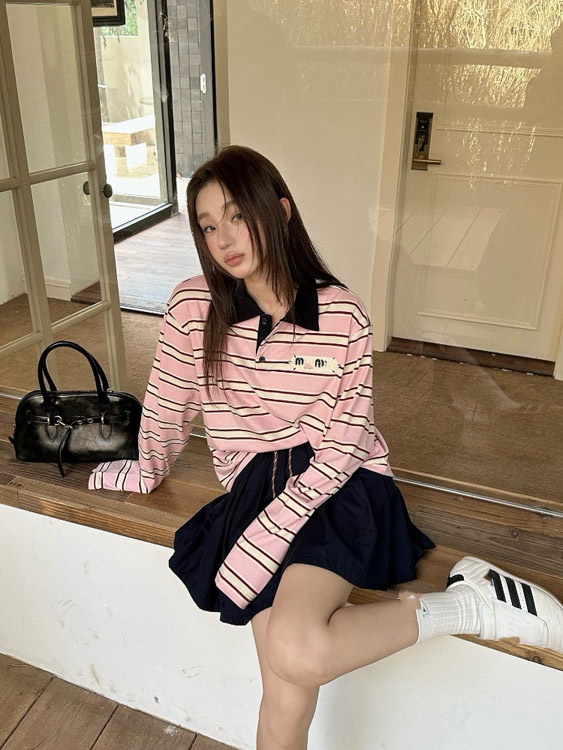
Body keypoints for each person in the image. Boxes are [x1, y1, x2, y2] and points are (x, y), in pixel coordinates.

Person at [90, 145, 563, 750]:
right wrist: (142, 468)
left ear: (281, 211)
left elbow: (345, 441)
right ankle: (467, 598)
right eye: (208, 226)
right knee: (285, 693)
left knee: (294, 651)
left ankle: (472, 608)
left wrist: (271, 533)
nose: (224, 239)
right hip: (256, 486)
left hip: (341, 480)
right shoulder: (194, 306)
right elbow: (168, 401)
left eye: (238, 215)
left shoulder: (341, 314)